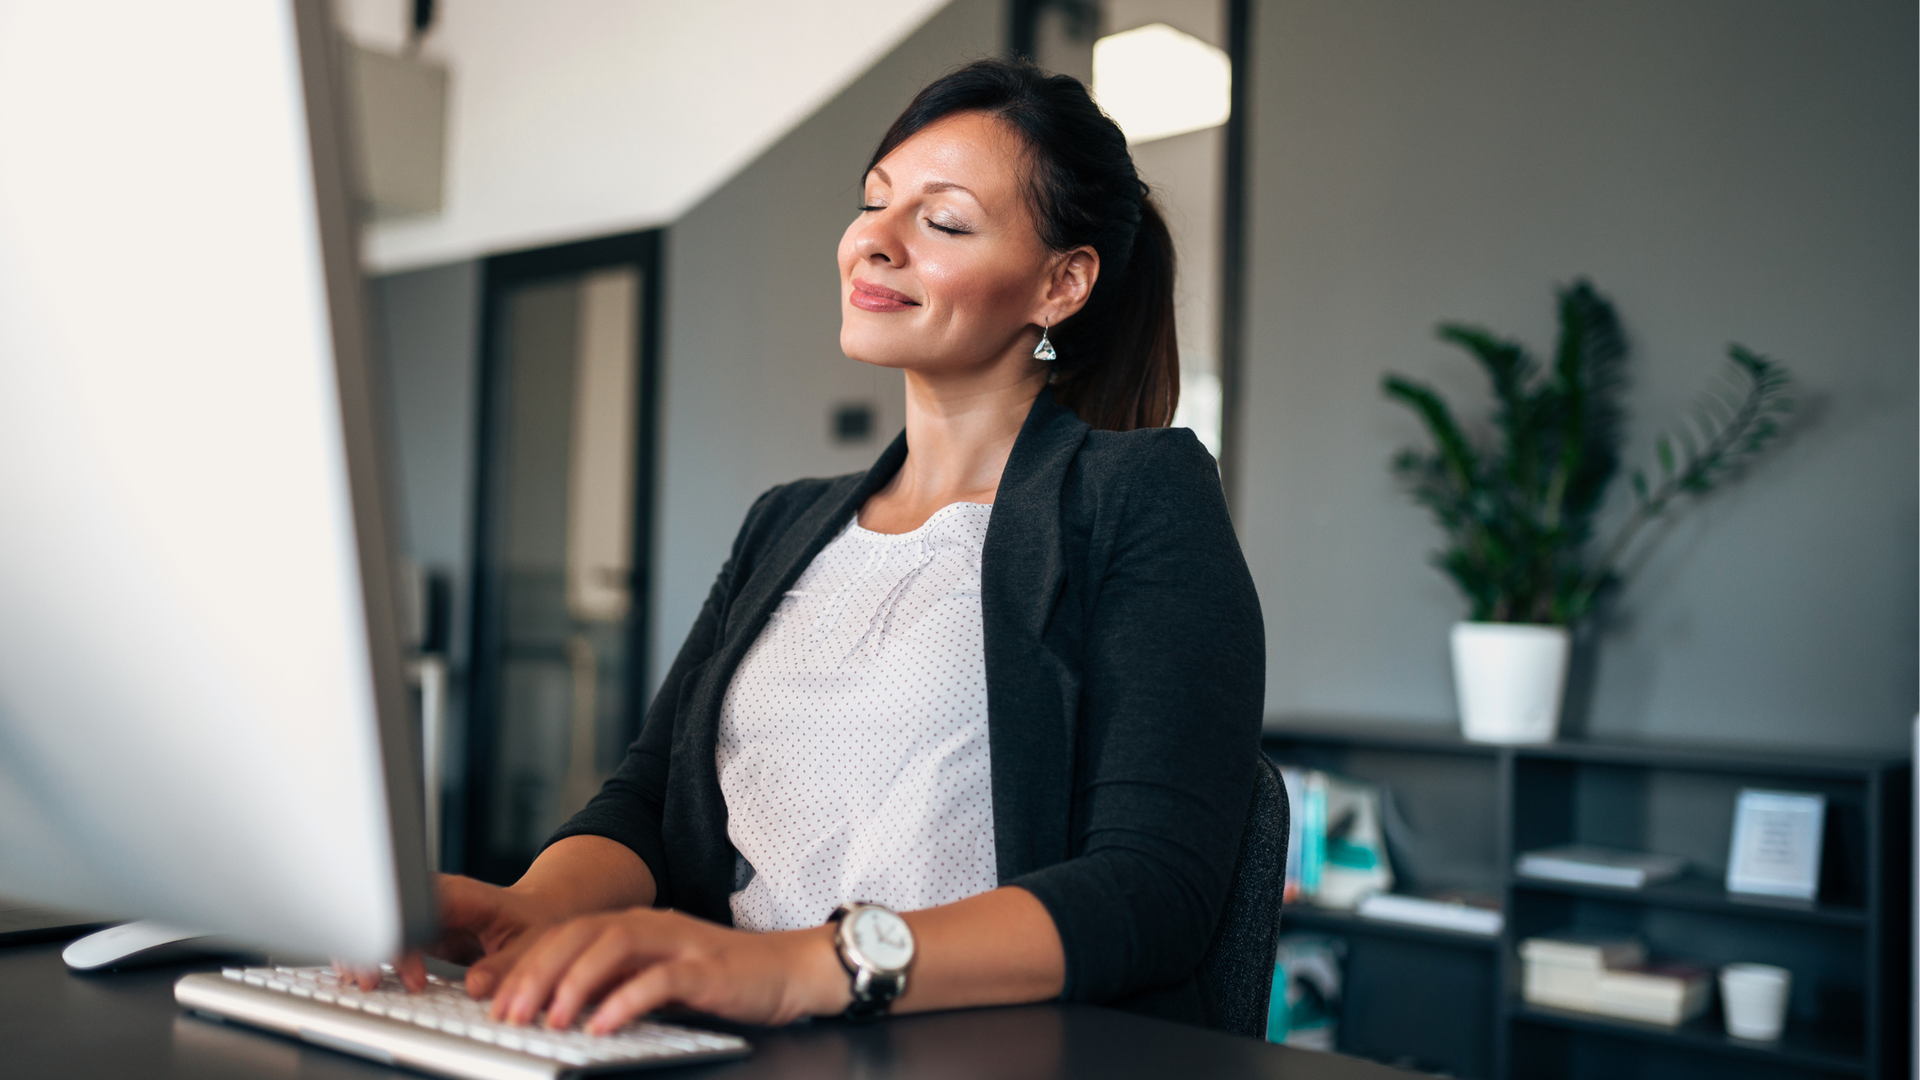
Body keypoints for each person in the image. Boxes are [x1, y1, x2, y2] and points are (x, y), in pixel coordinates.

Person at [369, 58, 1264, 1036]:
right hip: (732, 1038)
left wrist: (798, 967)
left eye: (943, 220)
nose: (874, 242)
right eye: (873, 203)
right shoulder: (787, 523)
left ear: (1060, 283)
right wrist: (535, 905)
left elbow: (1151, 891)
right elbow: (648, 799)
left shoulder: (1137, 498)